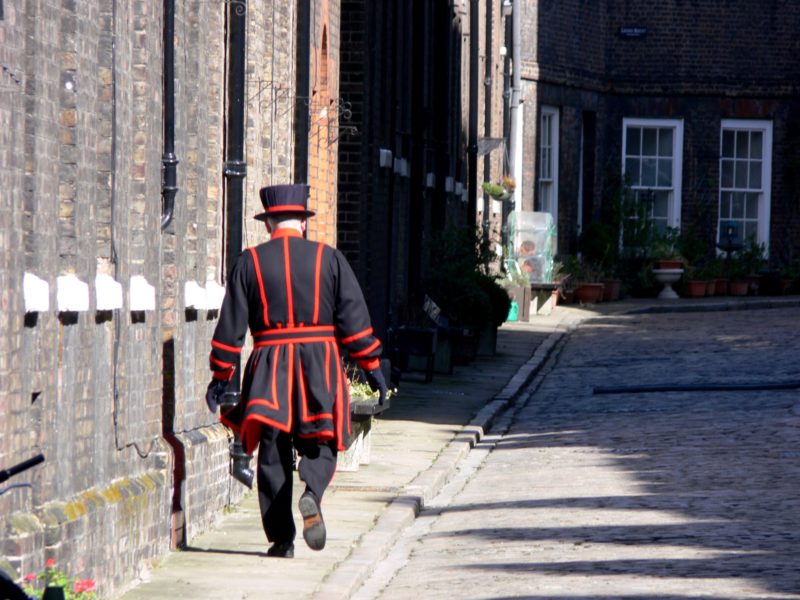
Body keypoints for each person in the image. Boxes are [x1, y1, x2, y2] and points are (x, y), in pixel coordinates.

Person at [205, 183, 387, 558]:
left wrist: (220, 376)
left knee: (272, 450)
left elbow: (231, 327)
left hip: (270, 365)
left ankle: (281, 540)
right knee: (322, 439)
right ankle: (312, 493)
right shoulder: (329, 259)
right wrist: (372, 367)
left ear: (269, 222)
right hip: (319, 362)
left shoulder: (249, 263)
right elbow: (354, 320)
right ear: (302, 222)